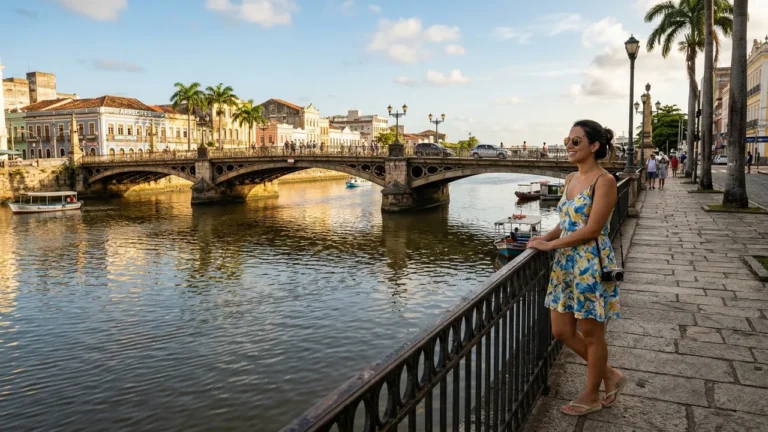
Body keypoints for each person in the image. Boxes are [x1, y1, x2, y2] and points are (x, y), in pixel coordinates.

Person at [527, 119, 624, 416]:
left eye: (576, 141)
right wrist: (543, 238)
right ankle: (610, 375)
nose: (568, 146)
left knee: (593, 335)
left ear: (594, 146)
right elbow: (567, 222)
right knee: (561, 331)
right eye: (567, 140)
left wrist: (550, 246)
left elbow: (592, 229)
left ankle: (592, 394)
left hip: (590, 264)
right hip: (565, 264)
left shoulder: (604, 181)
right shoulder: (570, 180)